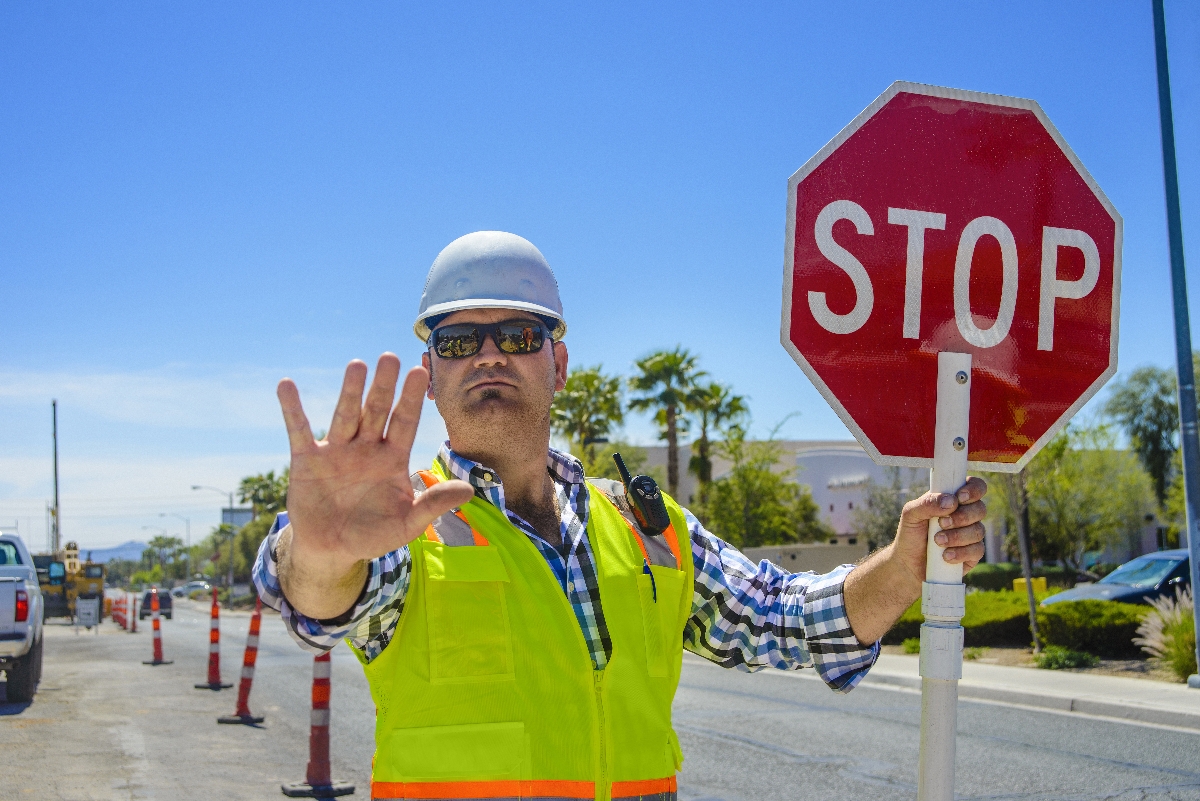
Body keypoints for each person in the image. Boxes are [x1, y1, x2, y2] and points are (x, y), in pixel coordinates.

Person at [254, 231, 987, 801]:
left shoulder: (645, 526)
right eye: (456, 341)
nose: (487, 356)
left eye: (516, 336)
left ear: (559, 363)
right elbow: (325, 597)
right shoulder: (404, 527)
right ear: (432, 375)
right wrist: (317, 553)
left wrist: (903, 565)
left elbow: (784, 620)